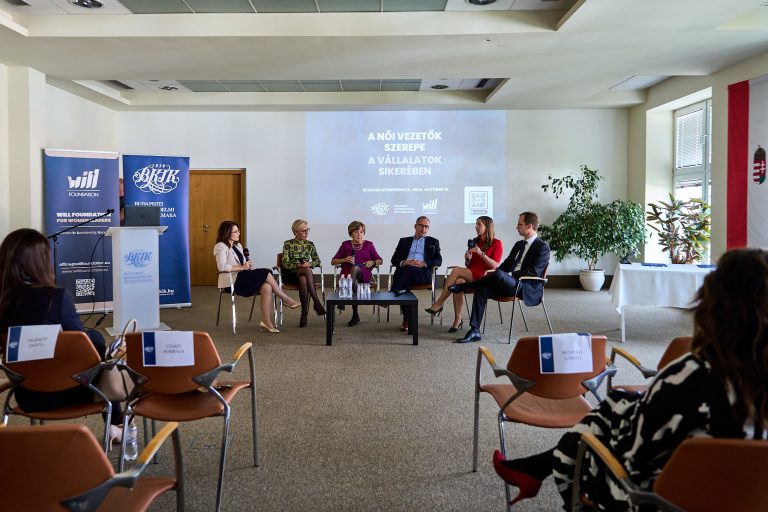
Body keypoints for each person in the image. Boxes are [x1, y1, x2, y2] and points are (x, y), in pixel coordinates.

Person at [492, 248, 768, 509]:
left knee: (599, 425)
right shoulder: (695, 381)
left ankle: (541, 467)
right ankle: (536, 468)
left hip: (659, 500)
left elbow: (637, 459)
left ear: (714, 307)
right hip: (749, 498)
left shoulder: (689, 378)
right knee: (619, 402)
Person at [0, 228, 124, 446]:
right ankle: (118, 425)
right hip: (67, 392)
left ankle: (117, 424)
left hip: (27, 396)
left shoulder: (3, 302)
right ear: (40, 261)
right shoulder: (55, 298)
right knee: (96, 342)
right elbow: (82, 346)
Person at [453, 212, 549, 343]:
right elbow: (506, 264)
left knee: (497, 274)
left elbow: (534, 272)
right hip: (507, 283)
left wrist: (506, 275)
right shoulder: (519, 244)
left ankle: (465, 286)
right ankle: (474, 330)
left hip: (524, 285)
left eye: (520, 224)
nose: (517, 227)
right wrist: (498, 273)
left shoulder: (542, 247)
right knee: (482, 289)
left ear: (530, 226)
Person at [214, 221, 299, 333]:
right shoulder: (220, 246)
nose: (238, 233)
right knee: (266, 272)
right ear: (227, 233)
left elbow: (243, 266)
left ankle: (266, 322)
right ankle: (285, 299)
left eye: (238, 230)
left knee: (267, 287)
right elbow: (222, 267)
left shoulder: (238, 245)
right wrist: (242, 266)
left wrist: (247, 267)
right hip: (231, 282)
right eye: (235, 231)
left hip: (243, 278)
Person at [425, 216, 502, 333]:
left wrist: (481, 254)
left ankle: (439, 303)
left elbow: (495, 266)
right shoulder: (474, 242)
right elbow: (469, 266)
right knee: (459, 282)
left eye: (479, 224)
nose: (476, 226)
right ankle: (458, 319)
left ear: (487, 227)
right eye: (476, 224)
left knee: (456, 270)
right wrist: (468, 259)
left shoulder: (497, 243)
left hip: (485, 276)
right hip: (472, 274)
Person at [390, 216, 442, 332]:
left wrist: (424, 263)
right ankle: (407, 318)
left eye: (426, 227)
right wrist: (404, 262)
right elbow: (394, 259)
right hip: (406, 273)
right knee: (405, 283)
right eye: (421, 226)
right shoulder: (404, 241)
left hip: (422, 274)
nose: (423, 229)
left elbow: (439, 261)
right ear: (415, 226)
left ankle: (393, 293)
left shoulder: (433, 242)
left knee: (405, 274)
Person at [331, 221, 383, 327]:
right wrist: (345, 259)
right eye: (356, 232)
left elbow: (380, 260)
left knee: (355, 268)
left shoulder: (369, 244)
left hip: (363, 274)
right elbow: (333, 261)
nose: (359, 234)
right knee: (353, 283)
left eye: (361, 232)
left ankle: (343, 298)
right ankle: (355, 316)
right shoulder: (345, 244)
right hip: (347, 276)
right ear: (351, 233)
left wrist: (372, 262)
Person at [281, 219, 327, 327]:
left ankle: (304, 314)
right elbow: (285, 263)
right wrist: (298, 265)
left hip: (304, 276)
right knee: (306, 270)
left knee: (303, 278)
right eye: (303, 231)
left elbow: (317, 261)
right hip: (290, 274)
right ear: (296, 232)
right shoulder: (288, 243)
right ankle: (316, 302)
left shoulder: (310, 244)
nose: (306, 233)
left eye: (307, 230)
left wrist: (309, 264)